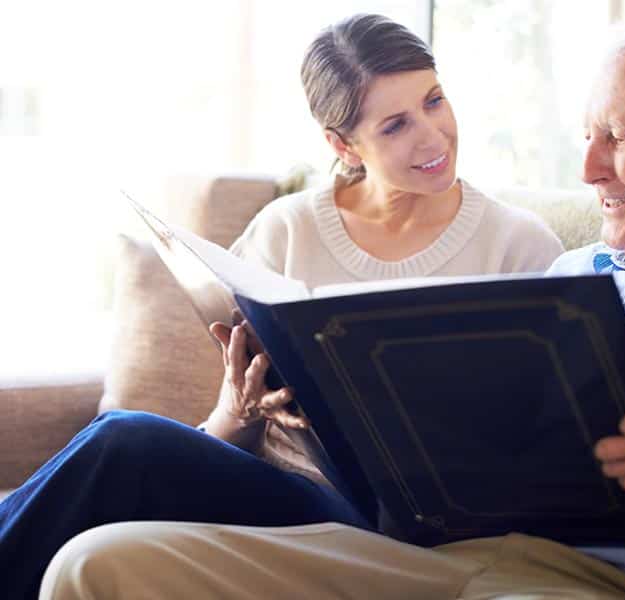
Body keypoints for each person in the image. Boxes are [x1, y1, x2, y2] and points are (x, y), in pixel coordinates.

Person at [39, 7, 625, 600]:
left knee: (130, 450)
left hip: (611, 585)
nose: (588, 166)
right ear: (343, 146)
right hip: (453, 556)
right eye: (586, 135)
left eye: (617, 137)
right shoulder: (571, 274)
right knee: (93, 564)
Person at [0, 13, 563, 600]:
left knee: (125, 440)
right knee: (121, 456)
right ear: (342, 144)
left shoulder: (521, 246)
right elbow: (227, 435)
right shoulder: (284, 232)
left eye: (435, 101)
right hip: (282, 502)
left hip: (415, 536)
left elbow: (547, 450)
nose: (433, 135)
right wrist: (242, 410)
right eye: (395, 125)